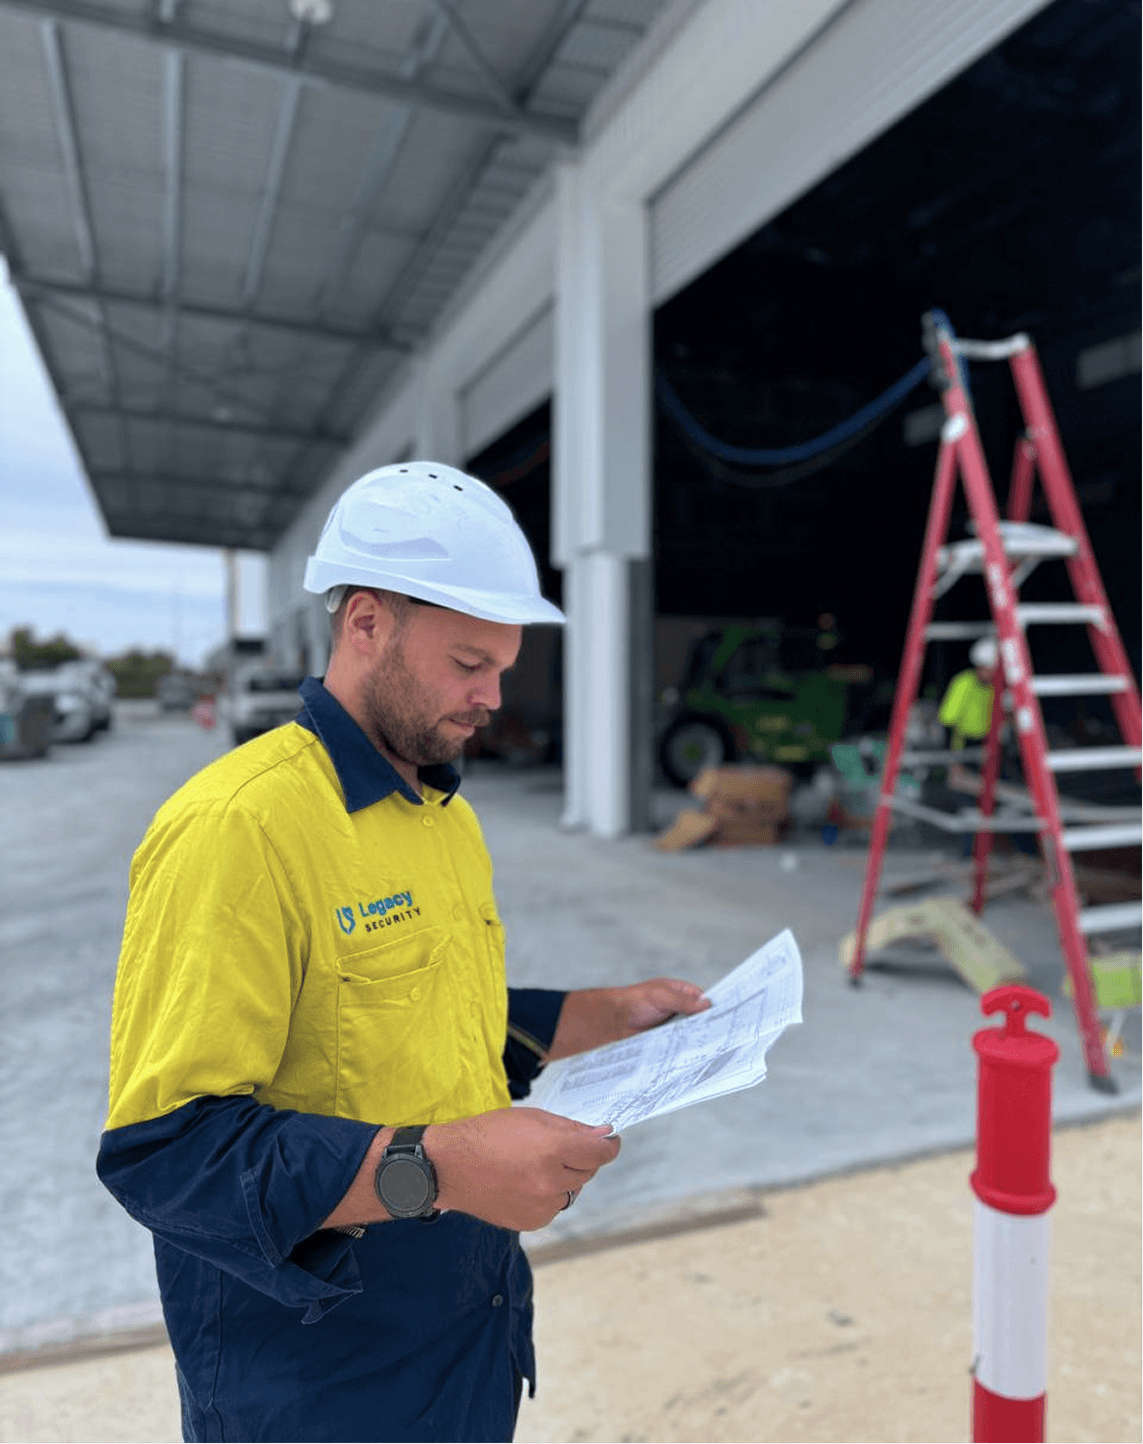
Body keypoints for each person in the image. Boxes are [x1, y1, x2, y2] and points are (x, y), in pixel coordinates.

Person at [96, 462, 710, 1444]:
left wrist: (601, 1012)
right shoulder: (237, 829)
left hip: (468, 1339)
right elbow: (170, 1157)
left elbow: (413, 1014)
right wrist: (437, 1168)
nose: (493, 695)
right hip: (319, 1382)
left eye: (504, 665)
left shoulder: (438, 812)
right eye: (470, 662)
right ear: (367, 623)